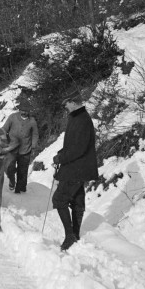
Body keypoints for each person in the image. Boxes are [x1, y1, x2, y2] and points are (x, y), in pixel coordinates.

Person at [52, 90, 99, 251]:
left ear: (73, 102)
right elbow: (72, 144)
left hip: (76, 168)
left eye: (66, 104)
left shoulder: (82, 120)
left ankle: (70, 235)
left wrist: (62, 158)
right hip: (78, 167)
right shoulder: (77, 117)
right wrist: (61, 154)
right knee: (77, 201)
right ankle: (76, 235)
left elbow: (79, 148)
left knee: (59, 200)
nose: (65, 107)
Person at [2, 110, 39, 194]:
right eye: (22, 110)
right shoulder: (13, 117)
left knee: (22, 170)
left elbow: (35, 134)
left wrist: (33, 145)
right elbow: (4, 129)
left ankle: (21, 189)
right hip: (11, 148)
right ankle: (12, 180)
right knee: (9, 168)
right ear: (20, 110)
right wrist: (4, 137)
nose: (24, 112)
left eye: (26, 110)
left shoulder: (32, 120)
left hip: (25, 149)